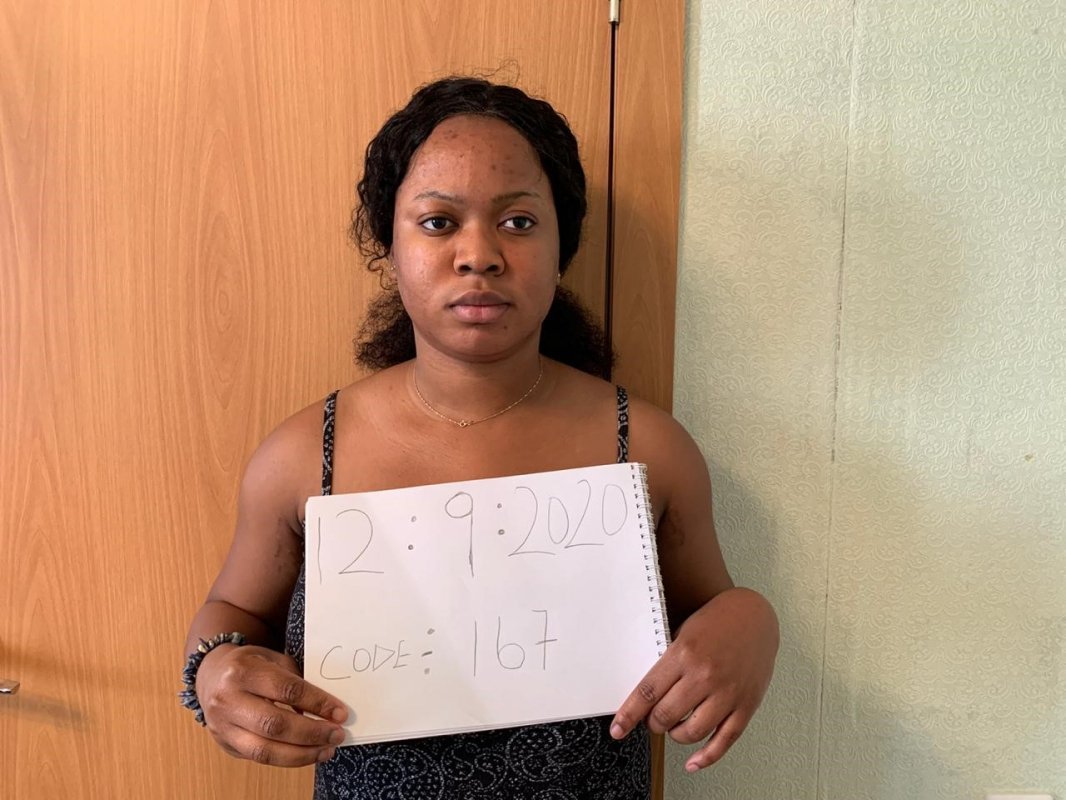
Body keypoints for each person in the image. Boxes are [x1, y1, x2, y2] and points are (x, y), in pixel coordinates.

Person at [182, 76, 779, 799]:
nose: (479, 254)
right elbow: (236, 613)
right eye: (438, 222)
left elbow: (707, 608)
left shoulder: (648, 449)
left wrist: (752, 623)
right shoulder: (304, 456)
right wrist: (215, 670)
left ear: (562, 247)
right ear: (389, 247)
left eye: (518, 222)